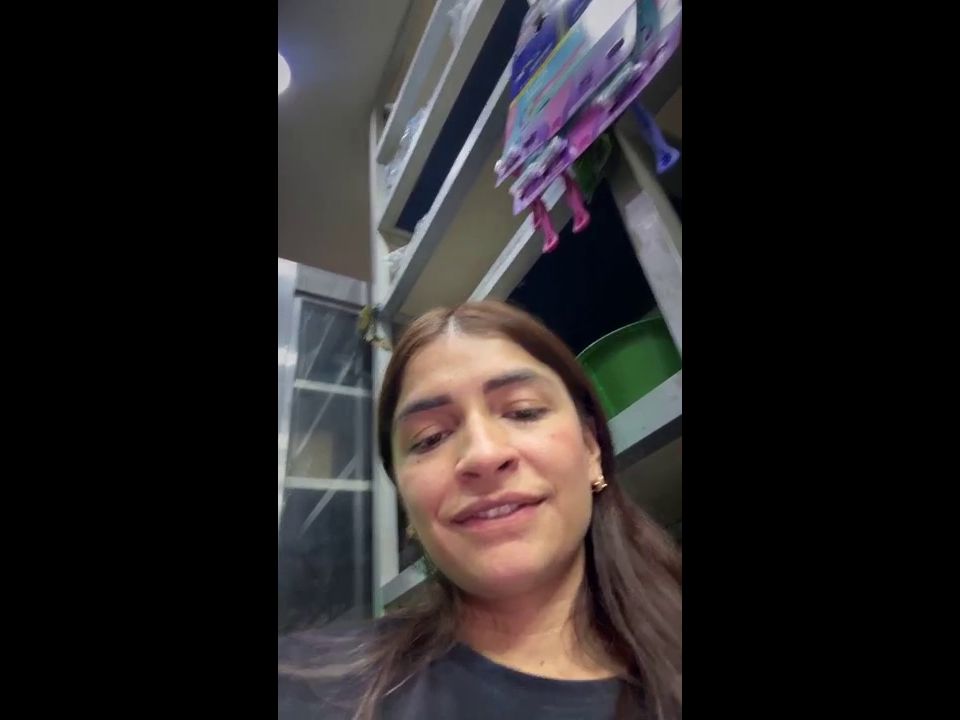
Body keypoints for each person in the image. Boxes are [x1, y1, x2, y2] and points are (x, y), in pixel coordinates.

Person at [278, 300, 681, 720]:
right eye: (430, 438)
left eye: (523, 412)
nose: (483, 454)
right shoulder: (305, 692)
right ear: (405, 500)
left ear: (591, 448)